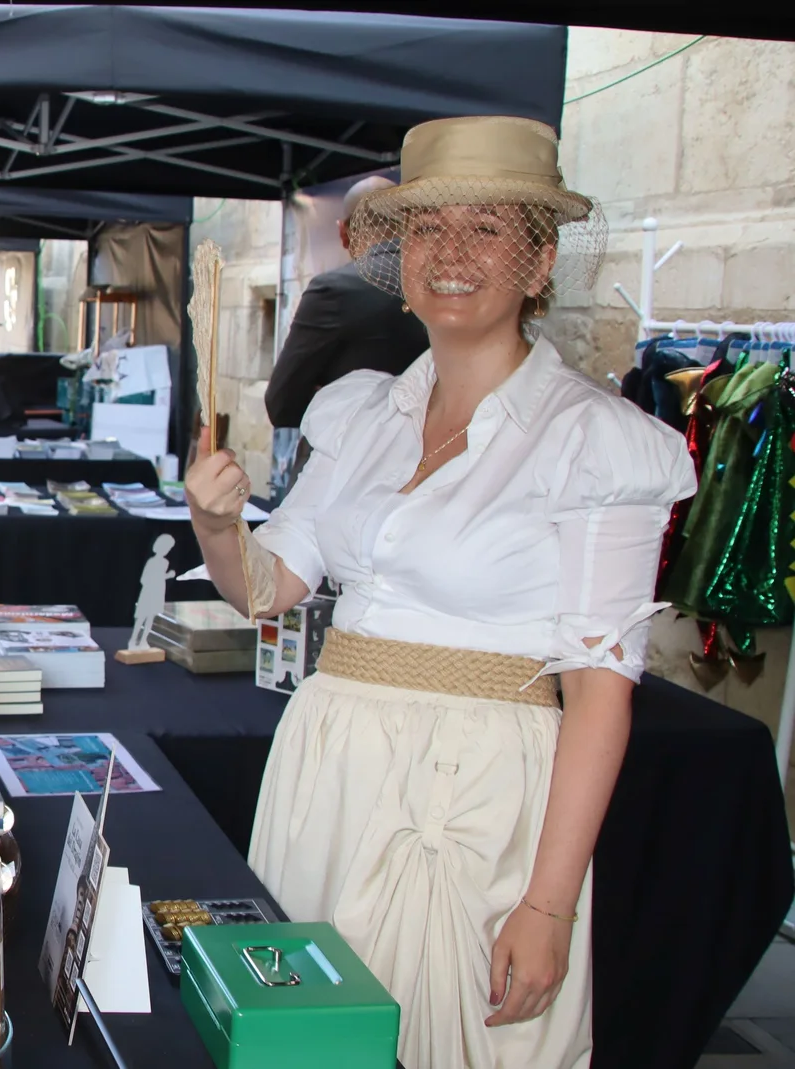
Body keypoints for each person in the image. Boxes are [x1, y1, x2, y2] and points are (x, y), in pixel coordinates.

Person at [185, 116, 695, 1068]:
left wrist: (548, 904)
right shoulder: (363, 413)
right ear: (401, 256)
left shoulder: (597, 443)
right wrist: (218, 523)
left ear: (539, 265)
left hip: (475, 796)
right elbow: (270, 588)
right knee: (306, 1042)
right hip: (329, 771)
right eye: (427, 230)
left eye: (489, 230)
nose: (452, 254)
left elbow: (598, 691)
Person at [264, 176, 429, 430]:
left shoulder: (332, 290)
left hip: (351, 455)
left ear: (344, 233)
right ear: (408, 224)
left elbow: (282, 405)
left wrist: (332, 394)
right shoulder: (440, 284)